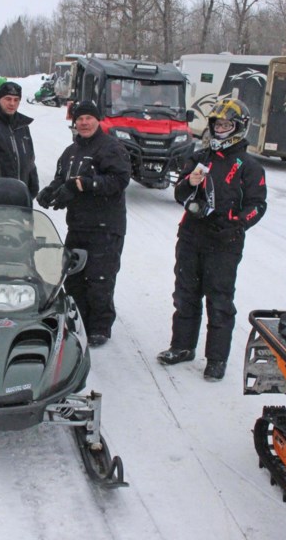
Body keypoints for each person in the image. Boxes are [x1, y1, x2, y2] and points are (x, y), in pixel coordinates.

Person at [157, 98, 268, 381]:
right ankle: (182, 346)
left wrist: (237, 223)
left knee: (219, 301)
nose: (221, 129)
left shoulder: (250, 166)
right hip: (192, 235)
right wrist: (189, 183)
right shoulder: (199, 157)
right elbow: (179, 194)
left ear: (239, 128)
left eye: (227, 125)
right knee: (185, 294)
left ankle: (217, 359)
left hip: (224, 242)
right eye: (218, 124)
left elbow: (258, 205)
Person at [36, 100, 130, 347]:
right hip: (78, 225)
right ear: (74, 122)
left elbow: (119, 180)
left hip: (105, 227)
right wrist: (50, 190)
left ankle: (100, 327)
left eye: (89, 118)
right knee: (73, 276)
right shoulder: (71, 151)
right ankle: (79, 320)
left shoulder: (111, 148)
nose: (84, 122)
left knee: (99, 278)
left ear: (98, 120)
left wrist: (84, 184)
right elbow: (61, 178)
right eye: (80, 119)